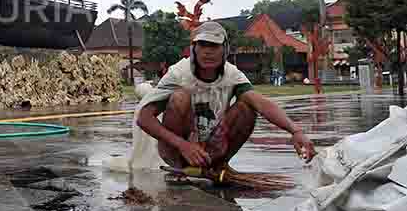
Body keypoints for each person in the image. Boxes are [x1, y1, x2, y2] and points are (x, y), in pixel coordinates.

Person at [135, 21, 315, 180]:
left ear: (225, 49)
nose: (207, 51)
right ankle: (181, 168)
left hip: (212, 148)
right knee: (180, 97)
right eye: (202, 45)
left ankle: (219, 164)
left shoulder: (232, 75)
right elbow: (144, 118)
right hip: (177, 150)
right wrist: (183, 145)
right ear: (193, 49)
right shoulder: (178, 73)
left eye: (214, 46)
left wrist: (295, 130)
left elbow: (260, 102)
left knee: (247, 107)